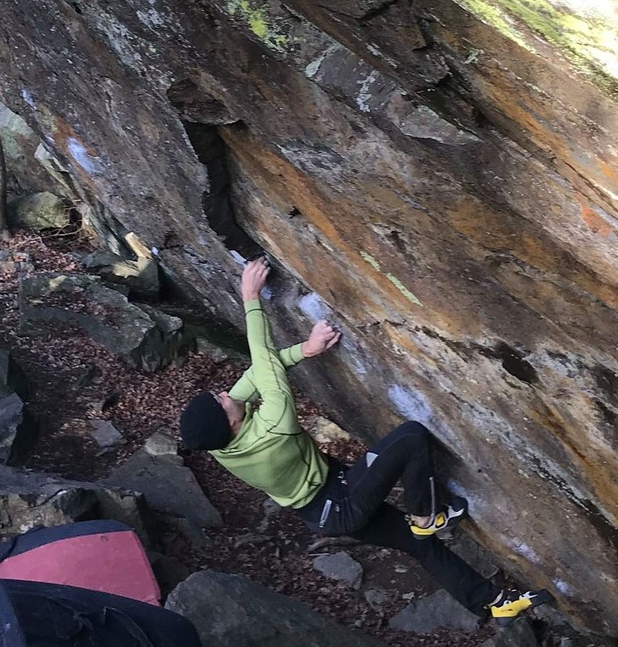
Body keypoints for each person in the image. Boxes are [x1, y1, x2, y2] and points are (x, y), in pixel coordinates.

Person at [179, 256, 549, 620]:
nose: (225, 394)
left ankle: (494, 603)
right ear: (232, 423)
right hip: (340, 503)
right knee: (411, 438)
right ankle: (426, 514)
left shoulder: (221, 443)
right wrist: (250, 298)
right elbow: (263, 365)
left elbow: (256, 375)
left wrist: (305, 350)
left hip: (321, 510)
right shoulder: (274, 425)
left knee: (417, 545)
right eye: (221, 401)